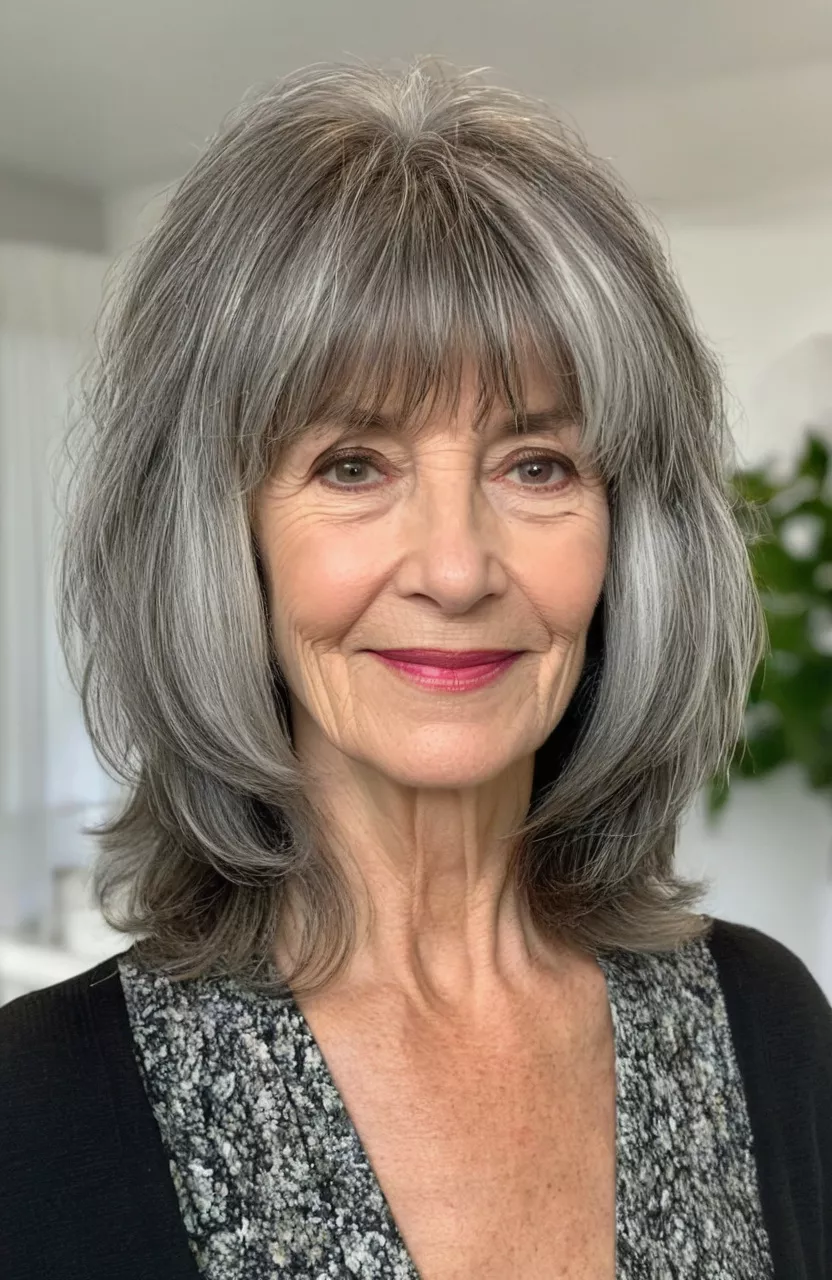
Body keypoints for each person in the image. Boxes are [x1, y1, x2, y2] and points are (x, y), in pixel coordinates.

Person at [1, 57, 830, 1280]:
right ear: (221, 538)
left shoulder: (771, 1028)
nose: (454, 568)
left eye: (536, 463)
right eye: (352, 463)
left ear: (627, 534)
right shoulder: (32, 1114)